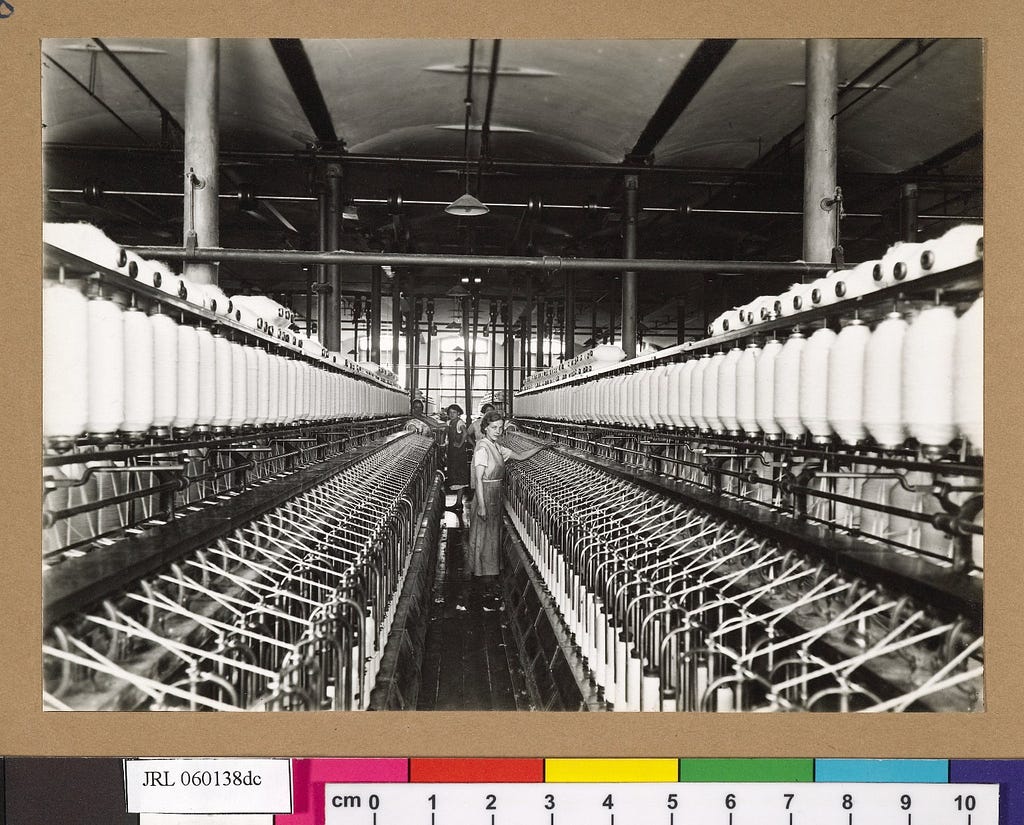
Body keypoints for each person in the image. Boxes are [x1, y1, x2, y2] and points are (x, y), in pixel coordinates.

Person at [465, 410, 553, 608]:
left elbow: (520, 456)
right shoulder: (482, 448)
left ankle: (489, 581)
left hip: (495, 494)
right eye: (494, 427)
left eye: (501, 428)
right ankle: (484, 585)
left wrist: (542, 446)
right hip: (485, 495)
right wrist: (481, 506)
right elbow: (478, 479)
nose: (498, 431)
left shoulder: (497, 446)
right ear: (485, 427)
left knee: (492, 538)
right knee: (484, 538)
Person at [444, 403, 470, 494]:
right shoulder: (449, 422)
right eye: (450, 412)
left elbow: (465, 433)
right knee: (454, 476)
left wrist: (459, 444)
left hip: (459, 453)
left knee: (459, 476)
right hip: (452, 452)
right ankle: (458, 503)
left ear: (458, 413)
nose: (451, 414)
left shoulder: (460, 422)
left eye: (454, 412)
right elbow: (439, 426)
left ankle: (459, 503)